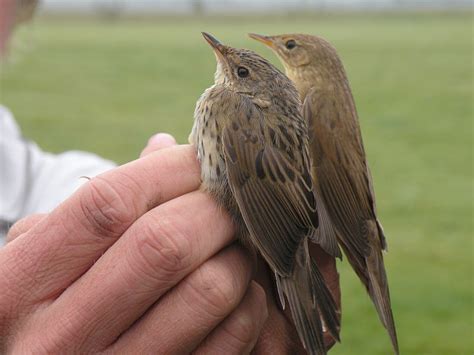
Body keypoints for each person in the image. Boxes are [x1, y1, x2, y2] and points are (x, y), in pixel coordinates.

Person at [0, 1, 340, 352]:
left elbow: (249, 196)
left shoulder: (50, 176)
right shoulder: (233, 106)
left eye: (239, 71)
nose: (223, 58)